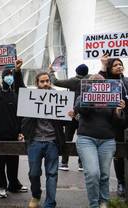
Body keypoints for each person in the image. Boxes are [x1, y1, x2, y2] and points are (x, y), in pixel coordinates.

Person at [74, 74, 125, 208]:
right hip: (86, 139)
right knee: (92, 173)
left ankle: (104, 203)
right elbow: (81, 110)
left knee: (104, 175)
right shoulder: (82, 97)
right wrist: (91, 94)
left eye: (102, 83)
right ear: (90, 85)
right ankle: (94, 205)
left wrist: (119, 112)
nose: (99, 86)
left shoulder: (111, 99)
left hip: (107, 141)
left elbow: (117, 123)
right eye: (95, 83)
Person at [21, 72, 65, 208]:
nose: (45, 84)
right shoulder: (31, 98)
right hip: (35, 142)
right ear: (37, 83)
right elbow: (24, 119)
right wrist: (23, 132)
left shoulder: (58, 98)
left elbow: (66, 123)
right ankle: (36, 195)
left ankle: (50, 203)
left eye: (47, 81)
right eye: (42, 81)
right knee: (34, 173)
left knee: (52, 174)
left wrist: (70, 114)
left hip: (52, 142)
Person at [0, 60, 28, 198]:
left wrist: (21, 131)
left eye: (11, 75)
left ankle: (14, 184)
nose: (9, 78)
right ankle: (1, 187)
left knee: (13, 162)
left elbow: (21, 113)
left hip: (13, 133)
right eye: (7, 75)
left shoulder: (16, 93)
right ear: (2, 78)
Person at [49, 64, 89, 171]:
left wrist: (51, 72)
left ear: (76, 72)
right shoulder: (90, 80)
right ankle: (81, 164)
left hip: (71, 113)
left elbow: (55, 82)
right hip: (84, 114)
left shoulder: (73, 81)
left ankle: (64, 163)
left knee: (67, 138)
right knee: (82, 139)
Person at [99, 56, 128, 197]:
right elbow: (97, 83)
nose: (119, 66)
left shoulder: (126, 81)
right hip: (114, 123)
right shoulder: (107, 81)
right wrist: (104, 66)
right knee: (119, 154)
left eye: (120, 64)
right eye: (115, 65)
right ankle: (121, 182)